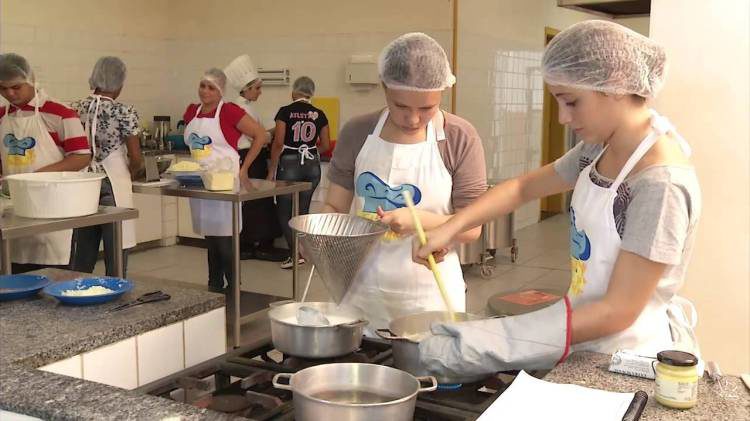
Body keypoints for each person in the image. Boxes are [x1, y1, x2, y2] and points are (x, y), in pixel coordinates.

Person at [413, 21, 703, 378]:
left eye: (571, 102)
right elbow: (521, 189)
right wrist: (452, 227)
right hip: (580, 335)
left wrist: (500, 339)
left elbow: (618, 310)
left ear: (613, 83)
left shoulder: (660, 184)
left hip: (626, 357)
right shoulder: (598, 150)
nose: (564, 118)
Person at [323, 33, 487, 332]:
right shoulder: (358, 131)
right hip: (361, 290)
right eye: (401, 106)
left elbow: (472, 227)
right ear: (385, 88)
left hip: (429, 294)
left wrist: (418, 220)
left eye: (427, 108)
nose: (413, 119)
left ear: (441, 94)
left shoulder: (459, 137)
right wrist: (320, 238)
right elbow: (335, 204)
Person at [0, 53, 91, 274]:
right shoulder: (2, 116)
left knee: (52, 275)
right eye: (2, 88)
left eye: (16, 87)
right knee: (17, 273)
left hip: (53, 207)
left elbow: (81, 156)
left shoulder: (60, 113)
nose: (9, 94)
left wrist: (37, 176)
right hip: (15, 208)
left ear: (31, 80)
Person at [182, 68, 267, 293]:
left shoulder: (229, 111)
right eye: (202, 85)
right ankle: (214, 285)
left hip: (225, 182)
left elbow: (261, 135)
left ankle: (233, 287)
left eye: (211, 87)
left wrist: (244, 169)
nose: (205, 91)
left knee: (225, 238)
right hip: (202, 181)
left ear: (220, 91)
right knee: (210, 237)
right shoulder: (192, 111)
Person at [70, 56, 142, 277]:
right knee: (116, 250)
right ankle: (115, 293)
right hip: (114, 184)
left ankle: (78, 291)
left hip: (83, 183)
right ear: (119, 84)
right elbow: (136, 156)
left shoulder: (75, 108)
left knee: (83, 251)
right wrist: (132, 173)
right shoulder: (124, 111)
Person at [224, 54, 285, 262]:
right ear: (247, 89)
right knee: (257, 201)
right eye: (258, 88)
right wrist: (274, 131)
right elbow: (258, 136)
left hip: (247, 155)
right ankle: (257, 244)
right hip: (249, 157)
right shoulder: (242, 109)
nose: (260, 92)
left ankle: (250, 243)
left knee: (254, 201)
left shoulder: (244, 107)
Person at [269, 76, 331, 269]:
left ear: (294, 92)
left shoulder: (285, 111)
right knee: (303, 211)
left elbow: (278, 142)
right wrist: (311, 153)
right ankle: (304, 252)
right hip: (312, 165)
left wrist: (272, 168)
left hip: (289, 165)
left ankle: (295, 254)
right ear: (311, 93)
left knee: (285, 211)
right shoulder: (319, 114)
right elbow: (326, 145)